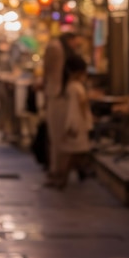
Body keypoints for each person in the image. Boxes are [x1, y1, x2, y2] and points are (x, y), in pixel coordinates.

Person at [42, 32, 82, 181]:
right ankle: (57, 170)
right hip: (57, 95)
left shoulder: (59, 48)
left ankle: (59, 170)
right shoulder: (56, 47)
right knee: (57, 135)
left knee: (60, 135)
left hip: (60, 95)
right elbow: (49, 71)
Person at [53, 54, 93, 188]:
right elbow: (75, 109)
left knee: (74, 154)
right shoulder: (75, 87)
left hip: (77, 124)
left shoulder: (70, 86)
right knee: (73, 154)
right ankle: (63, 179)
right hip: (78, 125)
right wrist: (74, 125)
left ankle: (65, 178)